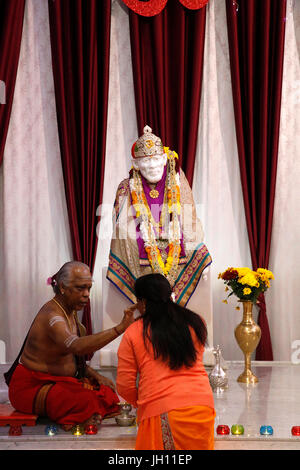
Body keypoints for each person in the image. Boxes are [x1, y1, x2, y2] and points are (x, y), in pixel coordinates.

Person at [5, 261, 135, 431]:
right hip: (32, 388)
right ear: (62, 287)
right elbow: (77, 347)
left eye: (89, 288)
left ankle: (79, 411)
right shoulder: (52, 316)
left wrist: (96, 375)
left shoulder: (70, 313)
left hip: (60, 382)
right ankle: (76, 416)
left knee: (107, 394)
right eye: (80, 288)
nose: (86, 294)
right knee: (86, 401)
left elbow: (73, 359)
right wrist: (119, 328)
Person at [106, 125, 212, 308]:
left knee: (199, 249)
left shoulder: (177, 180)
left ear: (164, 158)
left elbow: (189, 216)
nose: (152, 166)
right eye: (146, 161)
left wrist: (196, 245)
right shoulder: (126, 186)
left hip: (176, 248)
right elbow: (121, 226)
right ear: (136, 164)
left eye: (156, 159)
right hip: (140, 253)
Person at [116, 273, 215, 450]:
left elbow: (125, 385)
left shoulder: (134, 331)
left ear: (143, 301)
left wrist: (146, 402)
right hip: (202, 406)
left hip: (163, 410)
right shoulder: (195, 322)